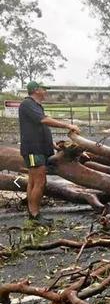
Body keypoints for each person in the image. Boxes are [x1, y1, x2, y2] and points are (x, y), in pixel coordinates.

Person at [19, 81, 80, 226]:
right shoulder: (27, 104)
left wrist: (53, 145)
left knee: (33, 181)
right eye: (43, 89)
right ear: (35, 90)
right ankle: (35, 215)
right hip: (34, 150)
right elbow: (44, 120)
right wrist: (68, 125)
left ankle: (32, 212)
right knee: (40, 181)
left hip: (39, 148)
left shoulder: (36, 106)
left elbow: (39, 128)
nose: (46, 92)